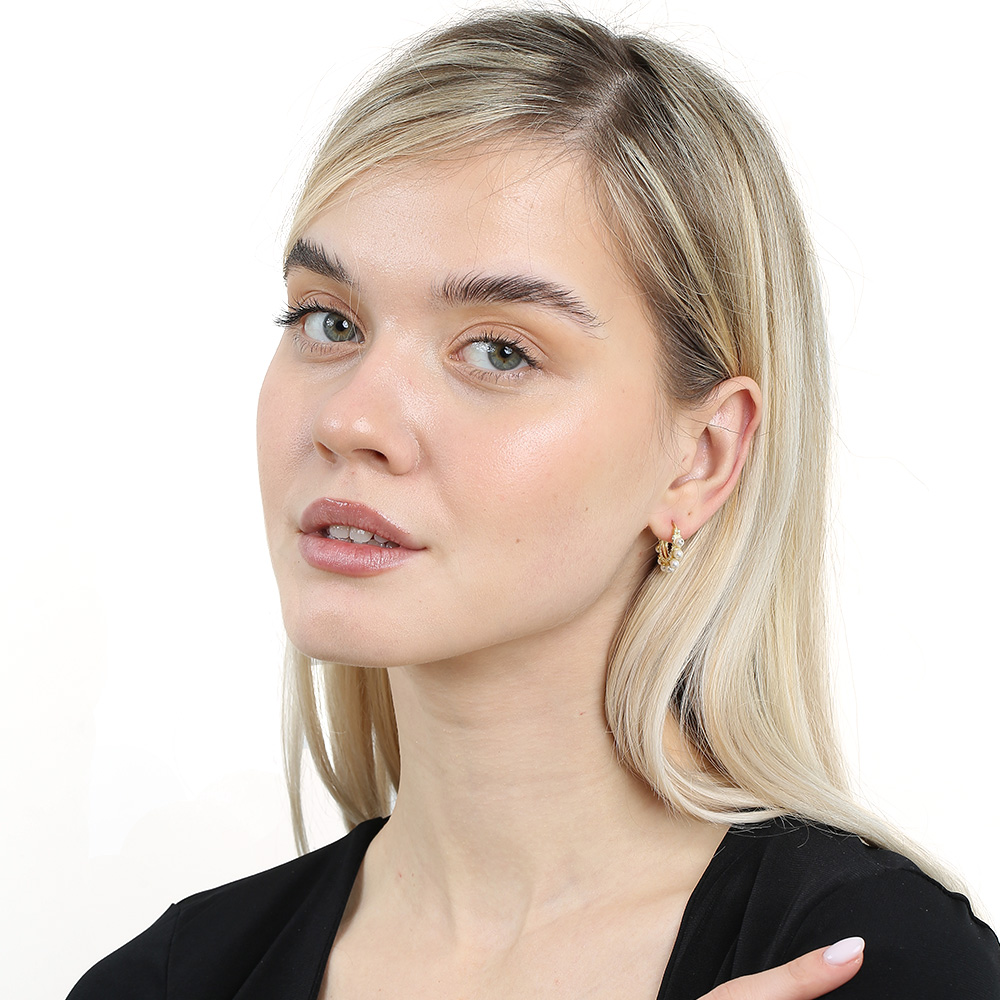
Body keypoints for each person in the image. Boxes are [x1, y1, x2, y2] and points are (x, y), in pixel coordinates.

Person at [67, 7, 1000, 999]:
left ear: (699, 457)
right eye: (328, 320)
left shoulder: (873, 972)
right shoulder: (163, 983)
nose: (350, 419)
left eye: (499, 350)